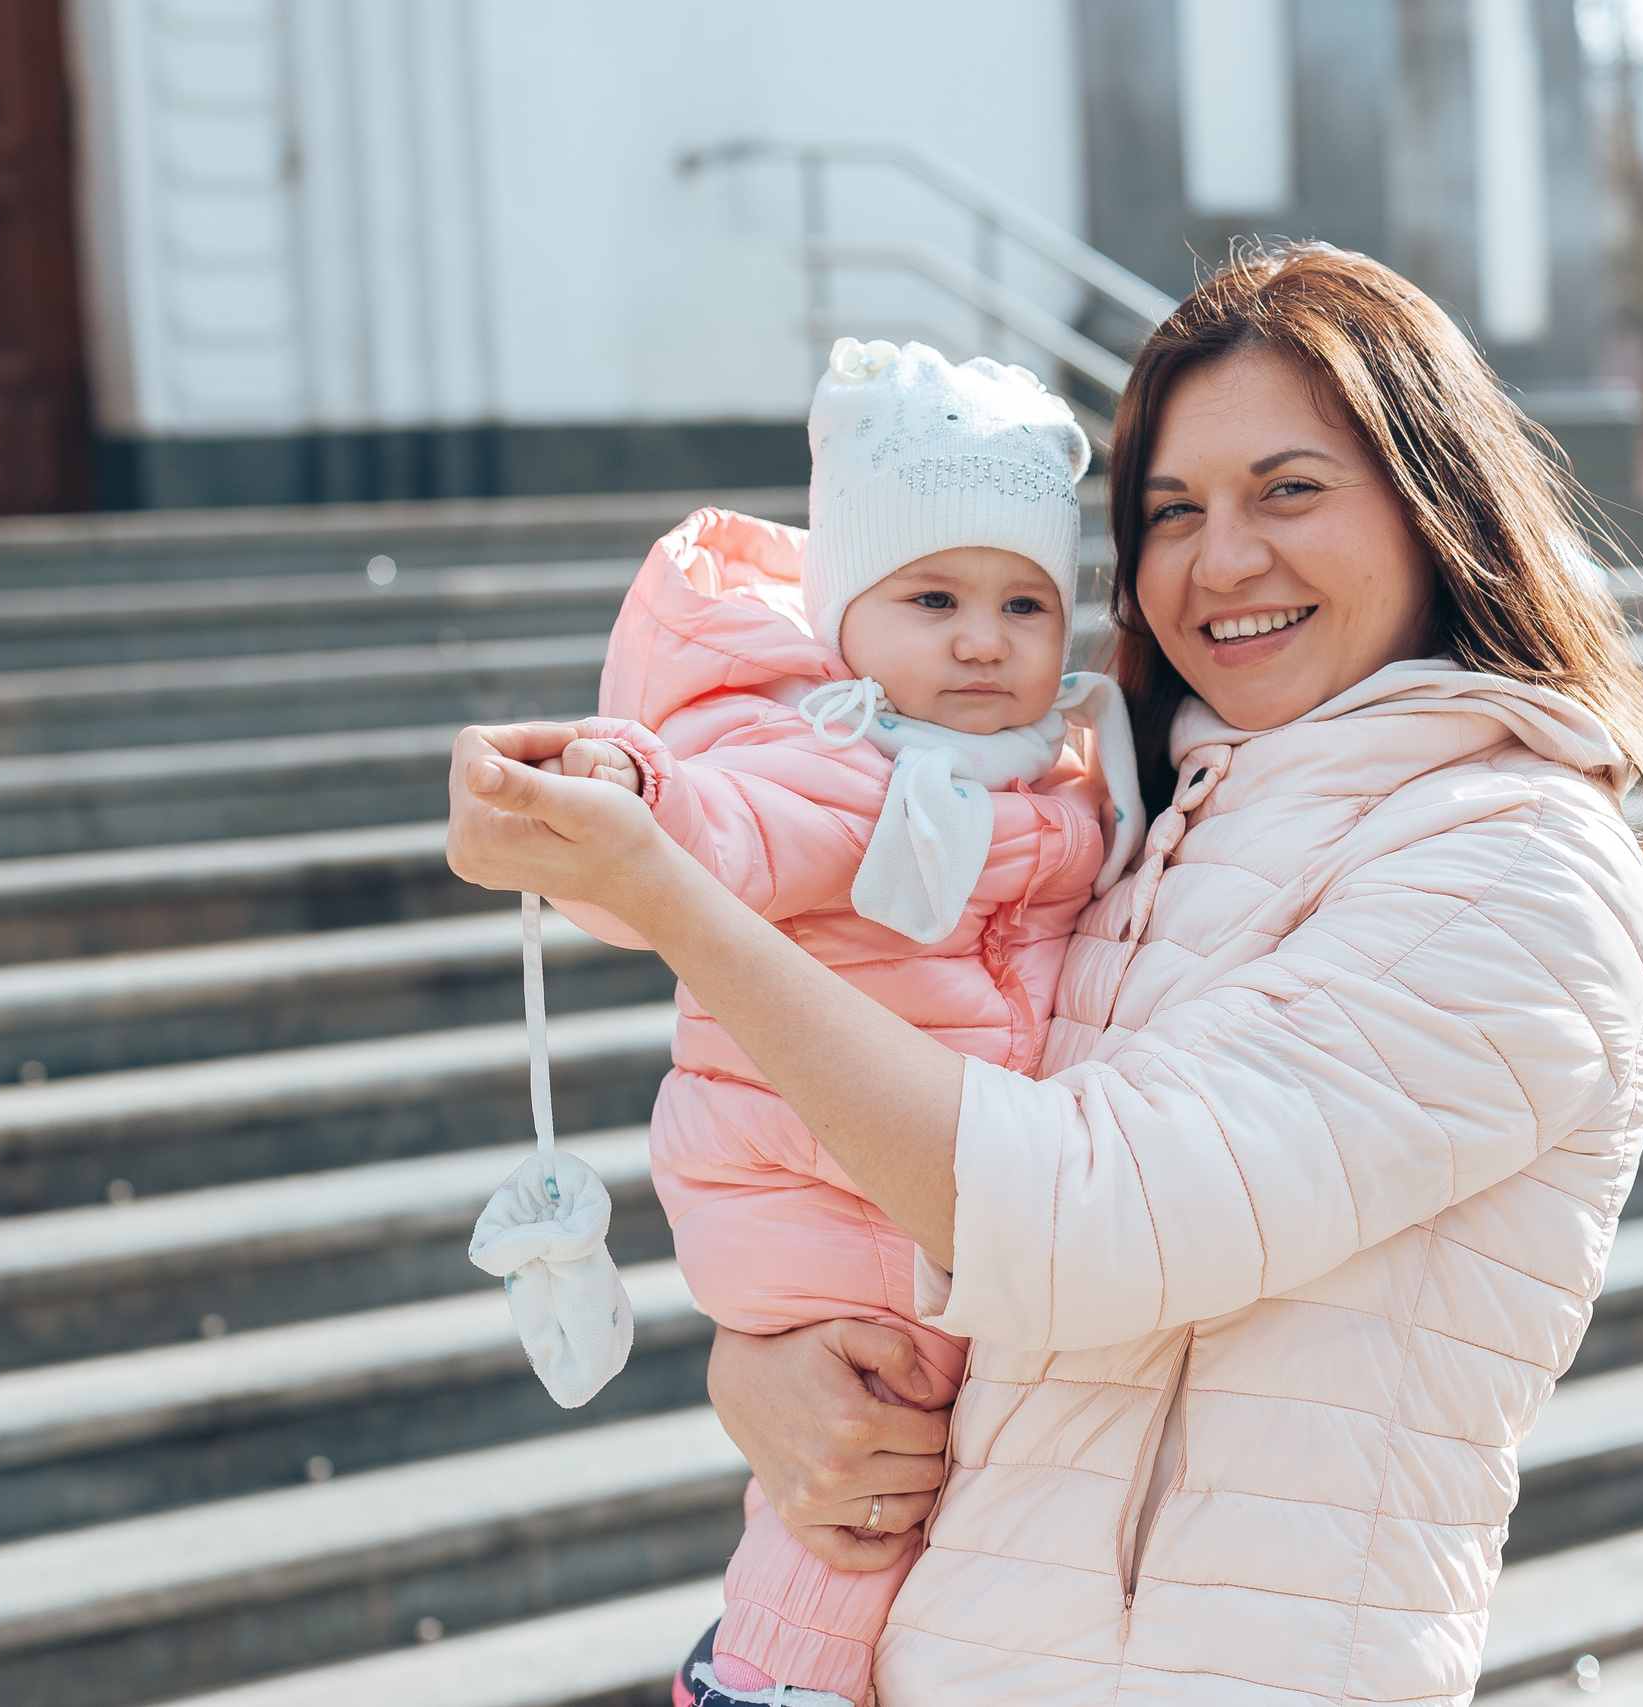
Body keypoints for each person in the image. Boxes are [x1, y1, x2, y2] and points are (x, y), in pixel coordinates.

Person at [447, 243, 1643, 1705]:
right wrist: (773, 1362)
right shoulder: (1146, 819)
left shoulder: (1515, 862)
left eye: (1289, 490)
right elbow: (932, 1191)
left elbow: (1078, 1213)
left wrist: (668, 897)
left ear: (1438, 504)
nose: (1221, 560)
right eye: (1171, 511)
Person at [544, 340, 1142, 1707]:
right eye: (932, 598)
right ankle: (766, 1688)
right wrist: (625, 786)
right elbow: (716, 831)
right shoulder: (833, 760)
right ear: (845, 618)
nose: (983, 639)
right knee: (868, 1479)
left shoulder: (1049, 768)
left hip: (924, 1179)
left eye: (1024, 603)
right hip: (829, 1201)